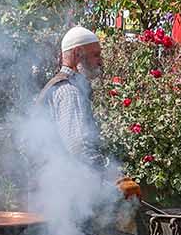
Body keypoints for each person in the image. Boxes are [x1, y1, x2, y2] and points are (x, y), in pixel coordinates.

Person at [37, 26, 141, 200]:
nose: (100, 61)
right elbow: (79, 148)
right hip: (62, 193)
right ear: (78, 53)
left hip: (56, 189)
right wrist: (116, 178)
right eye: (96, 55)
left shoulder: (69, 86)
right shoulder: (69, 91)